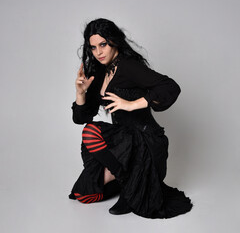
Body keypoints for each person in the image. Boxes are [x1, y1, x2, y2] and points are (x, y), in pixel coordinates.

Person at [68, 18, 193, 219]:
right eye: (93, 47)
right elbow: (81, 117)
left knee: (91, 132)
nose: (98, 52)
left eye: (103, 44)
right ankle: (126, 177)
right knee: (83, 194)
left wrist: (131, 104)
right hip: (123, 146)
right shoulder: (101, 73)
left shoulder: (128, 66)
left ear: (114, 42)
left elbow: (170, 87)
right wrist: (80, 93)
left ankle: (128, 181)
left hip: (145, 142)